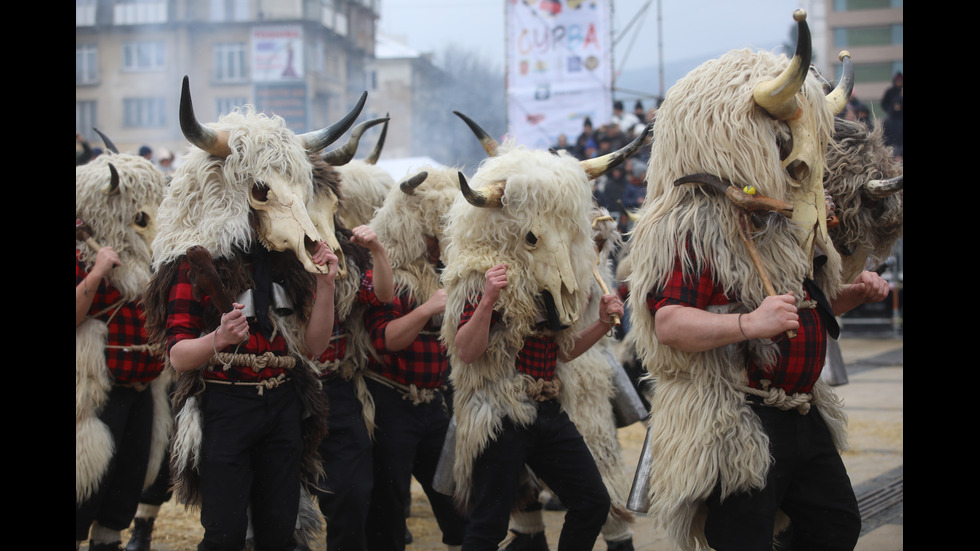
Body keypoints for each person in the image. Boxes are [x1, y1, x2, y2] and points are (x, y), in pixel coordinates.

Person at [624, 21, 883, 550]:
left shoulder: (787, 223)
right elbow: (668, 322)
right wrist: (748, 323)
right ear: (739, 141)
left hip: (802, 409)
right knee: (742, 540)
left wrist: (842, 300)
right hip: (738, 418)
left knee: (836, 527)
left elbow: (797, 310)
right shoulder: (689, 226)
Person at [440, 132, 632, 551]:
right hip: (499, 410)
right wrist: (489, 299)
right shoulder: (478, 272)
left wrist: (599, 325)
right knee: (488, 525)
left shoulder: (560, 272)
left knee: (592, 502)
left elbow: (562, 352)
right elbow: (467, 351)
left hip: (547, 406)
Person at [362, 167, 468, 551]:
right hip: (391, 402)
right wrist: (427, 310)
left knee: (457, 498)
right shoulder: (385, 275)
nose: (438, 245)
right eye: (430, 235)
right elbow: (387, 339)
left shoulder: (447, 275)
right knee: (389, 507)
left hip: (434, 402)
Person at [77, 150, 169, 551]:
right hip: (97, 392)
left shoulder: (152, 262)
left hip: (142, 388)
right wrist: (97, 272)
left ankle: (111, 540)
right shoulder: (83, 252)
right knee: (85, 485)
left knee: (126, 485)